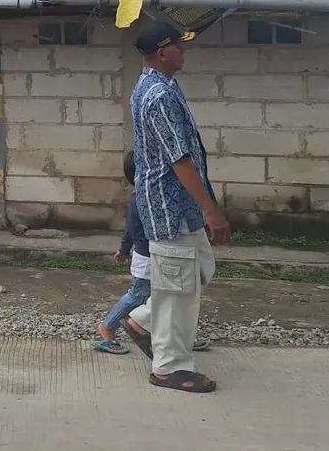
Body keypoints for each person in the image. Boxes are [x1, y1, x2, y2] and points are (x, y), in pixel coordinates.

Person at [125, 21, 231, 393]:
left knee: (198, 270)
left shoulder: (161, 86)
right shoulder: (159, 95)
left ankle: (143, 320)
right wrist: (211, 210)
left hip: (181, 206)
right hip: (170, 209)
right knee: (177, 289)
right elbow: (179, 159)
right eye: (180, 48)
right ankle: (170, 367)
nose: (185, 53)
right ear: (162, 52)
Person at [92, 151, 211, 356]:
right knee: (141, 296)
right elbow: (134, 230)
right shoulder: (144, 201)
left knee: (172, 296)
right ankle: (108, 327)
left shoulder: (140, 198)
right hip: (148, 258)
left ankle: (179, 338)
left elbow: (129, 231)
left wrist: (123, 250)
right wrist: (125, 249)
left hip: (150, 256)